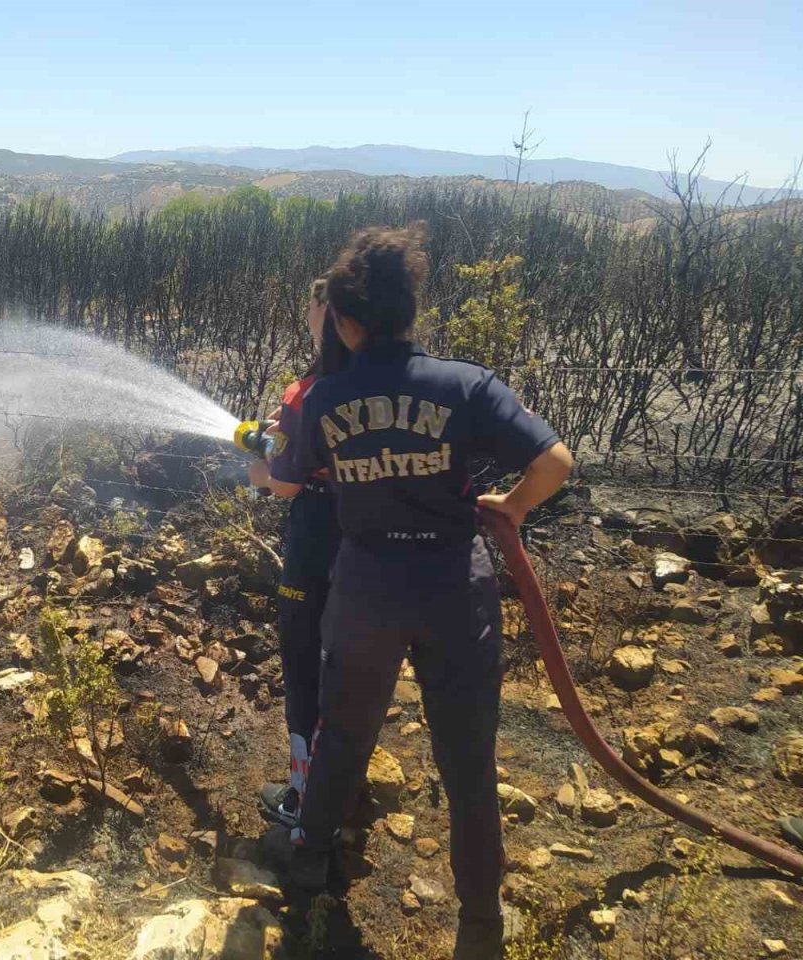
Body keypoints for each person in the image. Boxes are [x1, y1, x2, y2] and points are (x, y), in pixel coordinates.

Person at [266, 225, 574, 960]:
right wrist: (512, 507)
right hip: (451, 588)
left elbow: (285, 478)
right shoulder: (465, 385)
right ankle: (480, 931)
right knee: (467, 760)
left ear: (344, 321)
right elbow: (556, 460)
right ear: (411, 310)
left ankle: (308, 870)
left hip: (366, 588)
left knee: (344, 733)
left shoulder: (325, 396)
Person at [247, 279, 347, 829]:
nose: (306, 313)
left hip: (315, 541)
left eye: (311, 305)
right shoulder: (379, 383)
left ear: (326, 312)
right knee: (351, 664)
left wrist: (260, 464)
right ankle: (344, 780)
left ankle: (303, 799)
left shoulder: (306, 392)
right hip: (371, 549)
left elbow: (283, 485)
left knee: (304, 658)